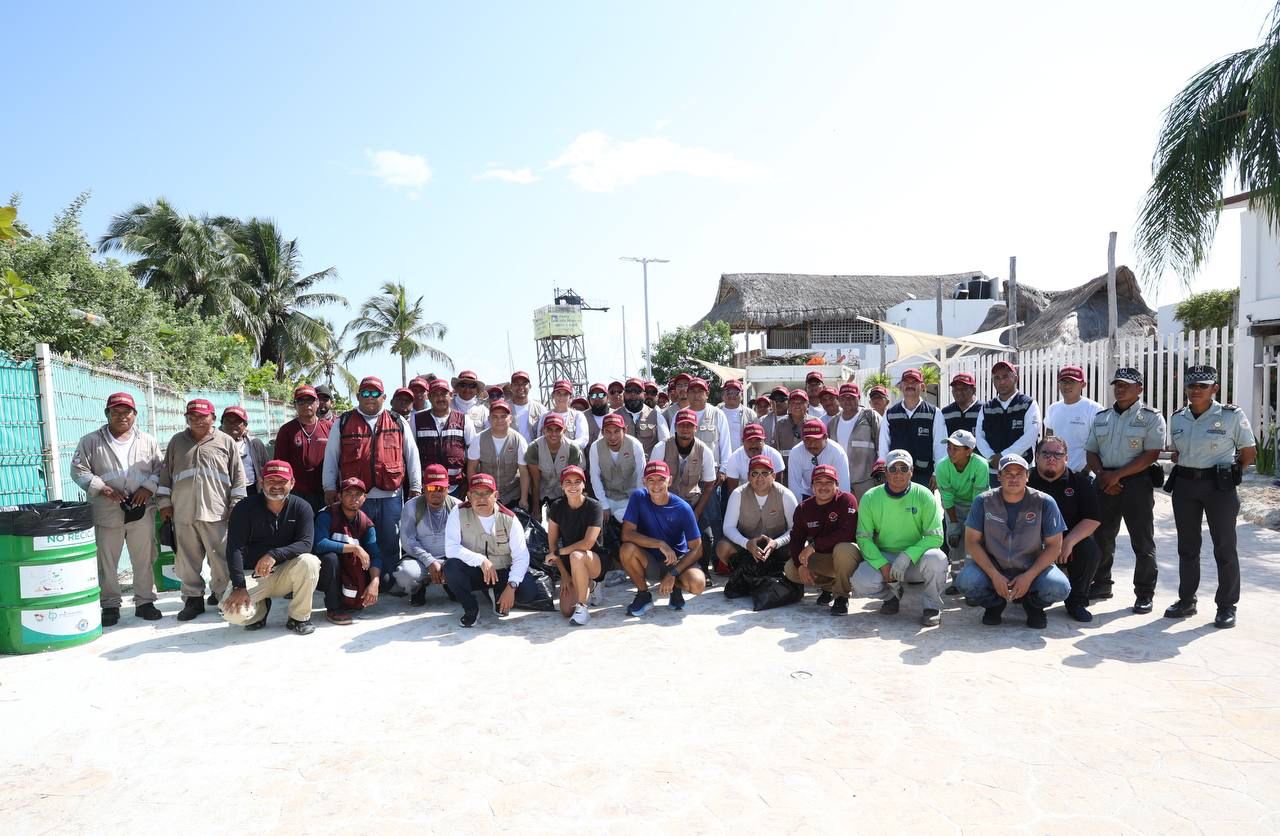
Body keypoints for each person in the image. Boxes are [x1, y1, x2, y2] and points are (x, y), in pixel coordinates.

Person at [1165, 365, 1257, 629]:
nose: (1196, 390)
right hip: (1185, 486)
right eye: (1192, 385)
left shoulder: (1231, 415)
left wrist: (1231, 473)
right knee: (1187, 547)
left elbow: (1248, 452)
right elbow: (1177, 452)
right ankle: (1186, 600)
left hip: (1219, 488)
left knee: (1224, 547)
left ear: (1214, 388)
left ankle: (1227, 606)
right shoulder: (1178, 418)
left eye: (1202, 386)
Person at [70, 392, 164, 626]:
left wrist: (148, 488)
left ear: (135, 414)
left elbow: (160, 469)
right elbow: (78, 470)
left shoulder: (148, 441)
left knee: (144, 557)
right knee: (107, 560)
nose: (122, 416)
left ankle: (145, 601)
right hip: (107, 510)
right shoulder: (90, 441)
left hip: (141, 509)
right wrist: (103, 488)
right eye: (116, 412)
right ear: (107, 414)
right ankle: (110, 605)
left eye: (127, 412)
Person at [323, 375, 422, 590]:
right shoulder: (343, 422)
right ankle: (361, 583)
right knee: (358, 541)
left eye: (375, 393)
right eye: (365, 393)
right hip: (356, 498)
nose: (370, 397)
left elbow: (412, 455)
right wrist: (329, 486)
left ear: (384, 397)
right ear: (358, 396)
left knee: (390, 541)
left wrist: (415, 486)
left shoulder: (397, 421)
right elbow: (331, 456)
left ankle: (389, 582)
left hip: (391, 497)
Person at [1084, 367, 1166, 613]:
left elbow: (1152, 454)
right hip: (1104, 481)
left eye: (1126, 385)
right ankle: (1101, 584)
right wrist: (1103, 476)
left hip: (1136, 483)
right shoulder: (1102, 417)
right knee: (1101, 537)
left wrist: (1116, 476)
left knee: (1142, 540)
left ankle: (1144, 592)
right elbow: (1091, 451)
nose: (1120, 389)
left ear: (1139, 388)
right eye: (1117, 385)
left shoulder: (1151, 417)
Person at [956, 454, 1070, 628]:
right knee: (966, 582)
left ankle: (1033, 606)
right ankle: (994, 604)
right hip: (993, 566)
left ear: (1027, 476)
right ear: (999, 476)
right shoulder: (983, 501)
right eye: (1008, 473)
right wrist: (994, 575)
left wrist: (1028, 576)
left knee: (1059, 587)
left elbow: (1055, 546)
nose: (1014, 478)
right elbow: (972, 542)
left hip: (1031, 567)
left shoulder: (1044, 502)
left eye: (1019, 473)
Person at [158, 398, 247, 621]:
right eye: (193, 417)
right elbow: (165, 475)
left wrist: (236, 505)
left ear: (213, 418)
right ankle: (193, 600)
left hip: (217, 512)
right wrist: (164, 503)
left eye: (203, 416)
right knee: (187, 560)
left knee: (220, 560)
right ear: (187, 419)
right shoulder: (177, 442)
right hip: (183, 512)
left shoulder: (226, 442)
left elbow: (238, 478)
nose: (198, 420)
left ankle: (222, 596)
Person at [220, 460, 320, 635]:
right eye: (271, 480)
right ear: (261, 482)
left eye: (282, 481)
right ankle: (260, 612)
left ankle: (299, 617)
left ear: (292, 483)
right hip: (254, 573)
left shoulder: (302, 507)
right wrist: (238, 586)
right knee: (232, 614)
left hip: (286, 572)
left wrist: (274, 554)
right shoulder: (244, 508)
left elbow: (306, 543)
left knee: (310, 562)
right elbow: (234, 548)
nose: (276, 486)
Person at [852, 449, 948, 627]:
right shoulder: (870, 497)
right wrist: (883, 565)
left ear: (911, 471)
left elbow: (936, 537)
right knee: (860, 581)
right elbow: (863, 538)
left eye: (904, 468)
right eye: (893, 469)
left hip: (915, 560)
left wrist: (907, 556)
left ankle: (932, 607)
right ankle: (891, 597)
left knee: (938, 559)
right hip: (886, 558)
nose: (898, 474)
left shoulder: (924, 495)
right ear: (885, 472)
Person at [443, 473, 542, 627]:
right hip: (475, 571)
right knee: (451, 568)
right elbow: (451, 548)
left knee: (528, 593)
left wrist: (511, 586)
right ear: (469, 496)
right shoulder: (458, 512)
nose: (481, 498)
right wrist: (481, 560)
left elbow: (521, 556)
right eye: (476, 493)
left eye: (486, 493)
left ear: (496, 496)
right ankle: (471, 609)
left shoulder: (509, 519)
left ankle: (497, 592)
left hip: (502, 571)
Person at [1028, 436, 1102, 622]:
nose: (1051, 458)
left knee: (1089, 549)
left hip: (1067, 542)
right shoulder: (1025, 479)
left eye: (1058, 454)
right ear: (1037, 456)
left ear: (1066, 458)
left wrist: (1068, 542)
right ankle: (1029, 597)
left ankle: (1076, 601)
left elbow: (1092, 519)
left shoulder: (1080, 482)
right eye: (1046, 453)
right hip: (1031, 541)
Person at [618, 460, 707, 615]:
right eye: (651, 480)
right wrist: (660, 544)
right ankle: (643, 594)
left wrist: (673, 573)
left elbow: (697, 549)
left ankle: (676, 587)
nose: (656, 485)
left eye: (661, 479)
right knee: (626, 549)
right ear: (644, 482)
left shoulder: (683, 508)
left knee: (698, 584)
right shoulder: (638, 497)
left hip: (676, 561)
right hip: (650, 560)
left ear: (669, 481)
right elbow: (626, 534)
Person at [782, 464, 860, 615]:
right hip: (824, 557)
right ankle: (829, 586)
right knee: (791, 568)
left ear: (837, 485)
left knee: (843, 549)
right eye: (818, 482)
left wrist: (814, 545)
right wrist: (800, 565)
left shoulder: (847, 499)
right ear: (812, 486)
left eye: (829, 482)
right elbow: (796, 539)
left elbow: (847, 533)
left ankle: (842, 596)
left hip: (849, 557)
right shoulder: (803, 508)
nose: (823, 487)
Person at [649, 408, 718, 575]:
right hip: (665, 502)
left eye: (689, 425)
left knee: (706, 536)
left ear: (696, 428)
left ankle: (703, 571)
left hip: (692, 502)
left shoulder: (705, 451)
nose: (685, 428)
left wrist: (697, 512)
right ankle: (666, 569)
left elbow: (709, 483)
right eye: (681, 425)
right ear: (675, 427)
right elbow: (651, 478)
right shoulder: (661, 447)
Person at [720, 455, 799, 599]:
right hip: (747, 546)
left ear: (773, 476)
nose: (759, 478)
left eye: (764, 473)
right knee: (722, 547)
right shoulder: (738, 494)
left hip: (777, 546)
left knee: (801, 546)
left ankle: (786, 575)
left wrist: (776, 543)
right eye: (754, 473)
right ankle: (743, 575)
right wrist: (746, 543)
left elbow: (795, 529)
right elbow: (728, 527)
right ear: (748, 477)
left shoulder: (785, 495)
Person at [313, 477, 381, 625]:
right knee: (331, 558)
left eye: (358, 494)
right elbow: (319, 544)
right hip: (324, 572)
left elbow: (375, 555)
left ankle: (351, 599)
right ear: (339, 496)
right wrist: (355, 548)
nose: (353, 498)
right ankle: (333, 608)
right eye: (348, 494)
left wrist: (375, 581)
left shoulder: (366, 523)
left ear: (364, 498)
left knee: (376, 572)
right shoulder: (327, 514)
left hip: (348, 569)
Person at [546, 466, 606, 626]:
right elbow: (552, 543)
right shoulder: (557, 507)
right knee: (566, 611)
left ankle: (583, 607)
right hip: (569, 561)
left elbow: (588, 543)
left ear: (584, 485)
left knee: (577, 555)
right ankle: (588, 585)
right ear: (562, 486)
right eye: (568, 482)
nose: (573, 486)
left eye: (577, 481)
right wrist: (564, 574)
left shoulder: (594, 506)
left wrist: (558, 553)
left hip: (594, 560)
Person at [394, 464, 458, 606]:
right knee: (405, 574)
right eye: (432, 488)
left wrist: (448, 565)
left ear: (448, 489)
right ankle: (418, 590)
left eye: (440, 488)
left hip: (449, 559)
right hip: (420, 560)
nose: (436, 493)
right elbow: (407, 541)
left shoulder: (457, 507)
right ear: (424, 488)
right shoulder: (411, 506)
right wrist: (429, 561)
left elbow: (465, 541)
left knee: (467, 567)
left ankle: (452, 584)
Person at [933, 429, 989, 591]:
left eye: (956, 449)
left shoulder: (981, 465)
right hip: (954, 507)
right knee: (955, 543)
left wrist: (969, 528)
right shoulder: (942, 466)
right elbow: (947, 498)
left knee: (973, 543)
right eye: (949, 447)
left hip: (977, 506)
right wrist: (954, 526)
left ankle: (973, 584)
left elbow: (978, 499)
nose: (950, 452)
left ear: (969, 451)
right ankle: (957, 582)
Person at [976, 360, 1042, 486]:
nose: (1001, 382)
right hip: (993, 472)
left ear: (1015, 378)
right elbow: (979, 437)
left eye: (1005, 376)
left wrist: (1003, 456)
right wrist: (991, 457)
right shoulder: (987, 407)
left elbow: (1031, 435)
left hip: (1021, 470)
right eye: (997, 378)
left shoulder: (1028, 403)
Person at [878, 369, 946, 486]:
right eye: (906, 382)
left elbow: (940, 446)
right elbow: (884, 446)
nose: (910, 385)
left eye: (914, 382)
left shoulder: (934, 413)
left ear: (922, 386)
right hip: (897, 474)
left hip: (924, 475)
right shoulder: (890, 414)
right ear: (901, 386)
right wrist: (885, 470)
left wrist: (937, 473)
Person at [274, 384, 333, 512]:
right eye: (301, 401)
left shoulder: (330, 428)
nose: (306, 405)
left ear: (317, 403)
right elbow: (280, 464)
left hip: (324, 493)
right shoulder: (286, 430)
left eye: (310, 400)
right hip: (296, 493)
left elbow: (336, 460)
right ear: (295, 405)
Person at [466, 399, 530, 512]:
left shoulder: (519, 440)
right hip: (486, 496)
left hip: (512, 496)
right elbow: (471, 468)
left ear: (510, 419)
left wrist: (524, 499)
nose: (499, 420)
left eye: (503, 416)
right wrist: (474, 493)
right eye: (495, 416)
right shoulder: (478, 439)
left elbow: (524, 472)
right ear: (489, 419)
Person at [414, 378, 475, 496]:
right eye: (435, 395)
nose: (440, 398)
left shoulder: (464, 419)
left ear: (451, 395)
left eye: (443, 394)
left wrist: (469, 484)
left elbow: (473, 455)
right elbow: (411, 455)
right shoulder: (416, 420)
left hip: (456, 487)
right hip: (428, 487)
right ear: (429, 397)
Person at [589, 413, 646, 526]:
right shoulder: (595, 447)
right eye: (608, 432)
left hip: (630, 498)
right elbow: (595, 477)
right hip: (608, 497)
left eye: (616, 431)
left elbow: (641, 476)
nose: (612, 437)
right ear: (602, 432)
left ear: (625, 430)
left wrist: (637, 504)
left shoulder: (635, 445)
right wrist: (604, 504)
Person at [1044, 366, 1102, 473]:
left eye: (1072, 382)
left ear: (1083, 385)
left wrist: (1086, 471)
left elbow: (1101, 444)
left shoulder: (1094, 409)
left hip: (1084, 473)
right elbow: (1048, 442)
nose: (1067, 386)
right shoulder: (1053, 408)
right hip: (1057, 473)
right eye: (1063, 381)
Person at [828, 382, 881, 499]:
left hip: (866, 481)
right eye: (843, 398)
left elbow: (882, 446)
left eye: (851, 398)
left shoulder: (870, 416)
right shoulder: (833, 422)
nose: (847, 401)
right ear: (839, 400)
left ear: (859, 398)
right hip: (840, 481)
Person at [526, 412, 585, 514]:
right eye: (549, 429)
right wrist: (536, 508)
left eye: (558, 430)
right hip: (540, 493)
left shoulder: (572, 448)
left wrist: (568, 508)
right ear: (543, 430)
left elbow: (572, 481)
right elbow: (535, 480)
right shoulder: (534, 448)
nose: (554, 434)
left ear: (564, 430)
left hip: (562, 492)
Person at [786, 419, 851, 500]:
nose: (812, 444)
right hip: (807, 497)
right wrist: (802, 507)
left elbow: (844, 488)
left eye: (816, 440)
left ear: (825, 437)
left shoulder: (838, 452)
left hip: (832, 495)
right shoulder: (796, 452)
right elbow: (794, 487)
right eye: (807, 440)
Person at [722, 423, 785, 495]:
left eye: (757, 440)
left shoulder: (775, 456)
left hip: (770, 496)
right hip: (744, 496)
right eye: (749, 440)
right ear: (743, 441)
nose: (754, 445)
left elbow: (778, 489)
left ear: (764, 441)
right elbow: (733, 492)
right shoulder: (734, 459)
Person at [221, 406, 268, 495]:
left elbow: (265, 467)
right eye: (228, 421)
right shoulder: (215, 445)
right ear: (222, 423)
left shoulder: (255, 443)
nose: (232, 424)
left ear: (245, 424)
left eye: (237, 421)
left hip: (251, 489)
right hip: (224, 491)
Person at [618, 376, 669, 458]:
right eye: (629, 391)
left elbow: (665, 444)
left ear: (644, 395)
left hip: (649, 464)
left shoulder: (656, 416)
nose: (633, 394)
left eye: (637, 391)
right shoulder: (614, 416)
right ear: (624, 394)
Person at [938, 373, 981, 463]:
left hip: (978, 464)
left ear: (973, 390)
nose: (958, 392)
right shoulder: (945, 412)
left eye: (963, 389)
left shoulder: (984, 410)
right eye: (955, 389)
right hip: (952, 464)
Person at [537, 379, 591, 449]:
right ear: (553, 395)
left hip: (572, 454)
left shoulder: (578, 416)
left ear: (570, 397)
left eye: (565, 394)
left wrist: (563, 446)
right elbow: (539, 440)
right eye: (558, 393)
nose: (561, 397)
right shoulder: (544, 416)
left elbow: (583, 440)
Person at [770, 389, 812, 469]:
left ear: (808, 405)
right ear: (788, 405)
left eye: (801, 403)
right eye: (793, 403)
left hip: (809, 469)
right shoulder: (780, 424)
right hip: (786, 469)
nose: (797, 405)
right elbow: (774, 449)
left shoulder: (815, 423)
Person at [508, 370, 547, 442]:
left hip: (534, 449)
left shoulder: (540, 409)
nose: (521, 387)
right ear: (511, 387)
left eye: (524, 384)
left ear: (530, 386)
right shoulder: (504, 408)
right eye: (516, 384)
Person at [450, 369, 490, 434]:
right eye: (463, 385)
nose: (467, 389)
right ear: (457, 388)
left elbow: (489, 435)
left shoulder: (484, 411)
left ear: (477, 390)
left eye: (472, 386)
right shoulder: (447, 407)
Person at [719, 379, 755, 446]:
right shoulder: (715, 413)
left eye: (736, 392)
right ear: (723, 395)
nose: (732, 395)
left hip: (743, 452)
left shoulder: (751, 415)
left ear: (742, 395)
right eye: (729, 392)